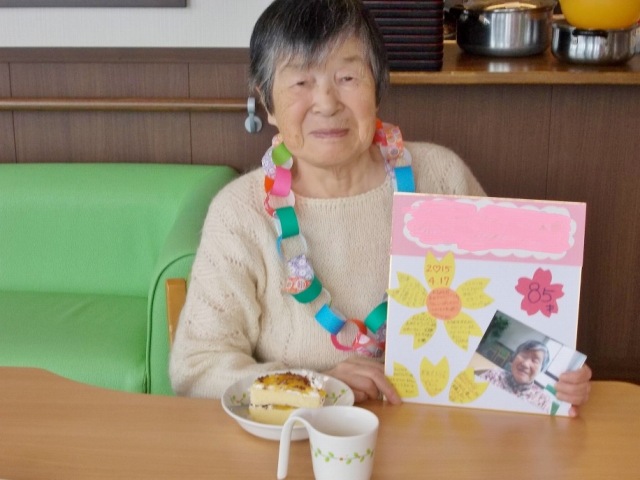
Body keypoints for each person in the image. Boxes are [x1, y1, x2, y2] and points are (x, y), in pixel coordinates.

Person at [169, 0, 591, 415]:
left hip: (435, 427)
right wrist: (318, 386)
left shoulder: (439, 177)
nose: (327, 102)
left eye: (347, 77)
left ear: (378, 87)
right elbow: (197, 368)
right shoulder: (240, 214)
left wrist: (553, 375)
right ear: (267, 102)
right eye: (300, 82)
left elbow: (506, 324)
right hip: (302, 437)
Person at [476, 340, 555, 413]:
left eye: (535, 361)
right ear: (514, 357)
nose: (525, 364)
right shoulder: (493, 375)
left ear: (541, 369)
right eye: (524, 356)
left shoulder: (543, 401)